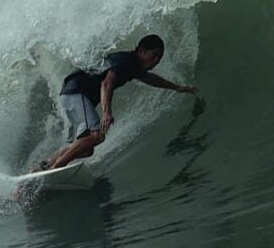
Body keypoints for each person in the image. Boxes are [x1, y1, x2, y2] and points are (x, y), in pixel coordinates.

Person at [35, 34, 197, 172]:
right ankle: (56, 167)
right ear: (142, 51)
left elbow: (151, 79)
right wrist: (107, 112)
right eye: (154, 55)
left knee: (87, 148)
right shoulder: (127, 61)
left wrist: (178, 87)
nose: (156, 60)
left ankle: (45, 166)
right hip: (76, 91)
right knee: (96, 135)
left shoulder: (134, 66)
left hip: (73, 94)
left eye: (159, 58)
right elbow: (107, 83)